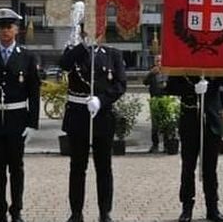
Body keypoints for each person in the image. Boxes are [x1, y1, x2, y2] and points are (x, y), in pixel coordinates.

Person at [0, 8, 41, 222]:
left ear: (17, 30)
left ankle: (16, 210)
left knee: (17, 168)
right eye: (2, 27)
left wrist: (33, 123)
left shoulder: (28, 57)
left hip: (17, 119)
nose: (5, 31)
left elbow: (34, 92)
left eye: (9, 27)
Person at [59, 38, 127, 222]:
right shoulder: (75, 50)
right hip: (78, 115)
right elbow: (64, 65)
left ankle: (105, 212)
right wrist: (82, 45)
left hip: (102, 115)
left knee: (104, 167)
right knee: (77, 167)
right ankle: (76, 212)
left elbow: (121, 84)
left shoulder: (113, 54)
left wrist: (101, 100)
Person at [165, 76, 223, 222]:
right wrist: (192, 89)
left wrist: (212, 84)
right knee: (188, 167)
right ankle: (187, 208)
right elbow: (171, 87)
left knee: (210, 169)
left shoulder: (214, 65)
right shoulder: (184, 68)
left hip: (211, 120)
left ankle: (212, 208)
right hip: (190, 121)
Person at [143, 54, 167, 153]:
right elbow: (145, 82)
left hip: (166, 100)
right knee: (155, 125)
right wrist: (150, 74)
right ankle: (155, 145)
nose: (158, 63)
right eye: (157, 61)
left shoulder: (167, 71)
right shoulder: (152, 72)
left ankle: (167, 145)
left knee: (166, 123)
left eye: (160, 60)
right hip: (154, 99)